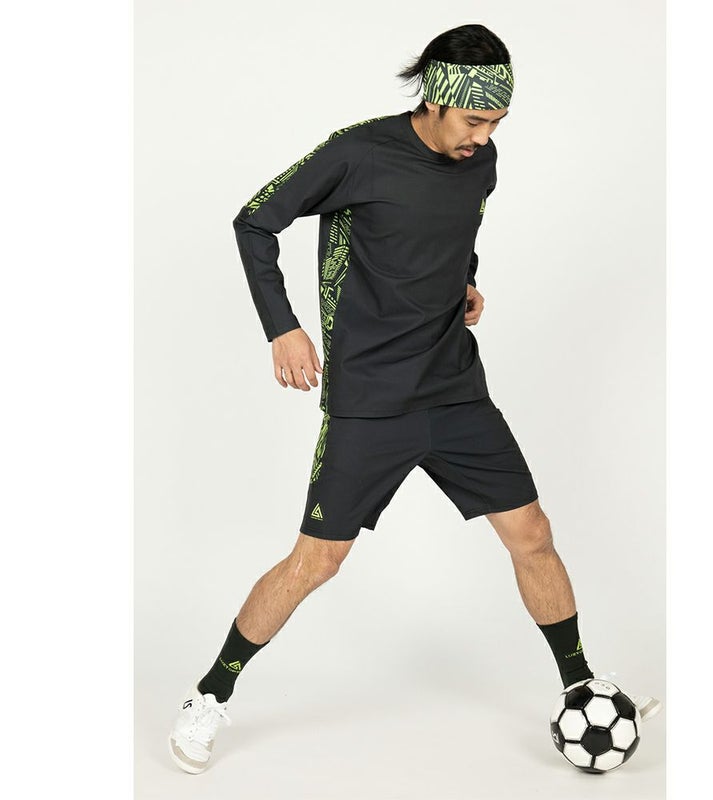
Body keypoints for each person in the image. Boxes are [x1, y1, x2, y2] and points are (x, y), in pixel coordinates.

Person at [168, 23, 662, 775]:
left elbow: (456, 232)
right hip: (370, 400)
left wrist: (465, 282)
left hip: (455, 389)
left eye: (498, 122)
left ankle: (580, 685)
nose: (485, 137)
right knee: (316, 562)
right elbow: (254, 221)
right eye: (475, 119)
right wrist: (284, 328)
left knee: (532, 532)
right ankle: (210, 693)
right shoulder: (357, 152)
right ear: (435, 98)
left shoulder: (480, 161)